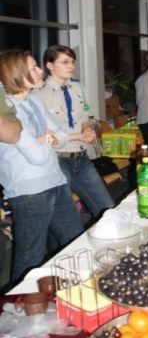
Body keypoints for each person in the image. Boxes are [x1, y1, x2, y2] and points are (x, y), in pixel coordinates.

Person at [0, 49, 83, 282]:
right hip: (29, 191)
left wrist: (45, 139)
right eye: (34, 68)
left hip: (55, 180)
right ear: (16, 73)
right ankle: (19, 303)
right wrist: (48, 139)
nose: (39, 71)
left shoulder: (34, 99)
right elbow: (37, 155)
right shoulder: (7, 108)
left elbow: (60, 135)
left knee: (75, 243)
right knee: (30, 259)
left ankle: (71, 292)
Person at [36, 45, 114, 218]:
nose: (71, 66)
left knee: (107, 208)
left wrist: (86, 129)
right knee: (64, 216)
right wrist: (78, 135)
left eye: (73, 62)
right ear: (50, 65)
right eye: (65, 62)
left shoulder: (78, 87)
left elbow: (85, 117)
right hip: (57, 159)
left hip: (81, 157)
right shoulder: (39, 93)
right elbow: (42, 132)